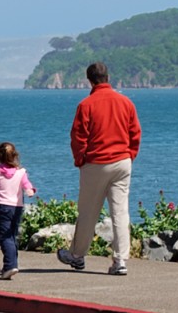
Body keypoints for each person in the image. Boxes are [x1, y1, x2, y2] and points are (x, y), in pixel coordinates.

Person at [58, 61, 141, 276]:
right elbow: (135, 133)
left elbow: (78, 137)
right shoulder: (126, 102)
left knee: (88, 212)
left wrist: (81, 160)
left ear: (89, 80)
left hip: (96, 163)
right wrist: (130, 155)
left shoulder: (86, 105)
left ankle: (77, 255)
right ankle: (121, 260)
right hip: (122, 161)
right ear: (107, 77)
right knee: (120, 212)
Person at [0, 141, 37, 280]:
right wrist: (29, 190)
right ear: (15, 156)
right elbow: (26, 184)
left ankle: (10, 265)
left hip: (3, 208)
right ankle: (9, 265)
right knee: (12, 236)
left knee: (5, 237)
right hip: (17, 208)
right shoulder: (21, 172)